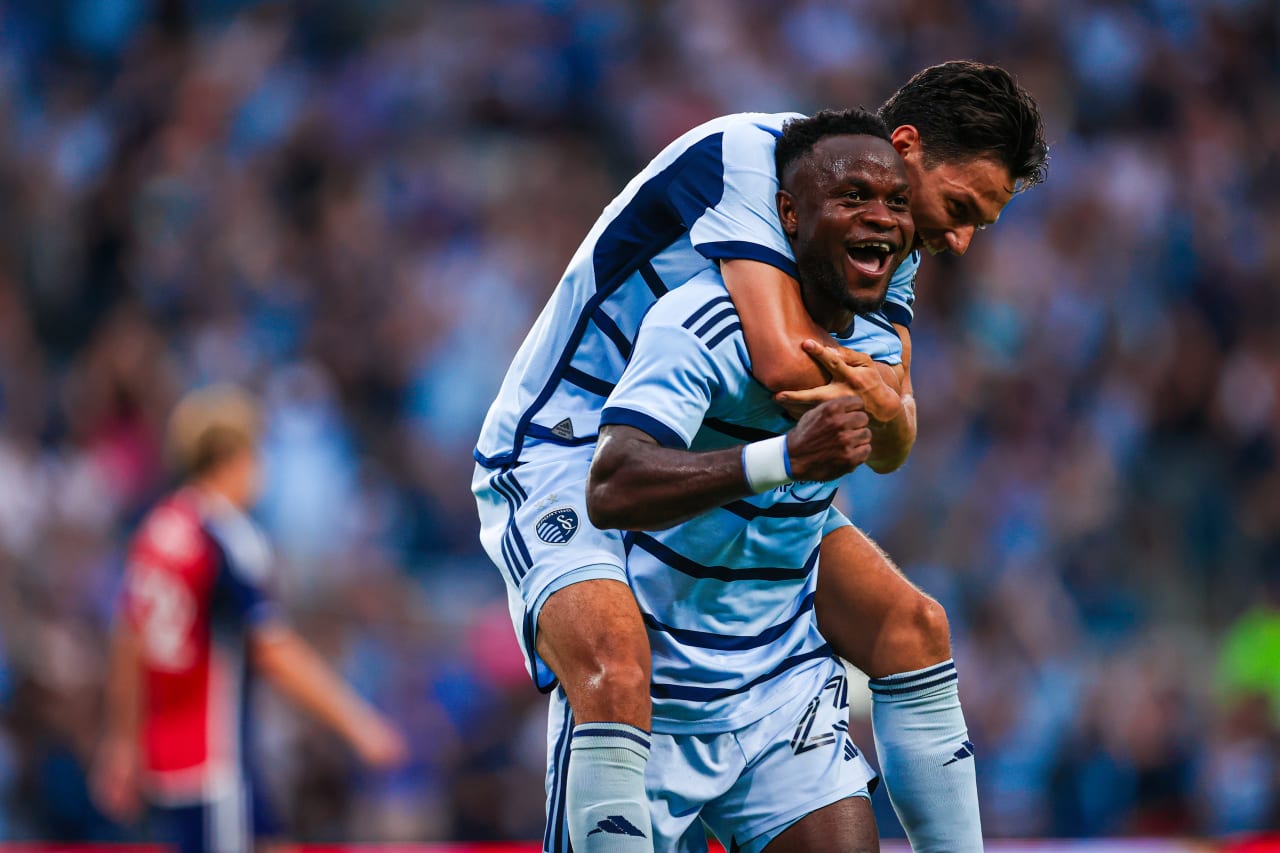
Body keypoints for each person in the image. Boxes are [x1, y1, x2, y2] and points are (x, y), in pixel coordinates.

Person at [472, 61, 1047, 852]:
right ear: (907, 146)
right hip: (568, 444)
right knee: (615, 662)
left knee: (912, 625)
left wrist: (886, 410)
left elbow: (890, 433)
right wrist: (880, 405)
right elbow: (783, 365)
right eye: (958, 208)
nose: (960, 239)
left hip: (719, 445)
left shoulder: (887, 242)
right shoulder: (750, 156)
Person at [583, 108, 911, 852]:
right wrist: (782, 458)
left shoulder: (880, 346)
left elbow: (892, 445)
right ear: (789, 214)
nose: (882, 218)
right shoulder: (700, 320)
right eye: (853, 196)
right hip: (653, 705)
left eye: (897, 202)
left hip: (784, 694)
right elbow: (611, 486)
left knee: (921, 625)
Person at [91, 384, 407, 853]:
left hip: (164, 756)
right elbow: (273, 649)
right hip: (214, 758)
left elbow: (128, 639)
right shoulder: (226, 536)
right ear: (235, 458)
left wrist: (120, 741)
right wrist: (358, 723)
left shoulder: (158, 529)